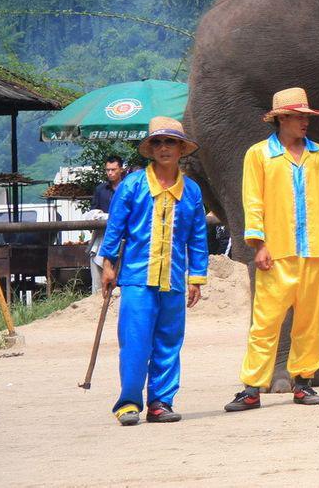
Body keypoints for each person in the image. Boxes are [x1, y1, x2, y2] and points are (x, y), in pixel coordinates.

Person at [225, 88, 319, 412]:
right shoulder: (259, 155)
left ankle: (302, 383)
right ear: (282, 119)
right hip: (277, 251)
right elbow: (253, 201)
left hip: (312, 250)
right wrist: (258, 244)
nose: (305, 122)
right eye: (299, 116)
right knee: (266, 322)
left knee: (310, 322)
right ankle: (251, 387)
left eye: (306, 117)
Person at [98, 119, 209, 425]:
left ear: (180, 149)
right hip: (136, 279)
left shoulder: (191, 191)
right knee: (135, 342)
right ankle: (129, 403)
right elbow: (115, 228)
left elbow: (198, 237)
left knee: (169, 341)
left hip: (173, 280)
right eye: (158, 143)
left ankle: (161, 402)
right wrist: (108, 264)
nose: (164, 148)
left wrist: (196, 277)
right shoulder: (132, 186)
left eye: (170, 143)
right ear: (150, 149)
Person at [87, 155, 125, 294]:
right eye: (107, 170)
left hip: (124, 238)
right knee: (98, 282)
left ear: (121, 169)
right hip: (103, 237)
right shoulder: (101, 190)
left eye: (113, 169)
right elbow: (93, 211)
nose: (110, 173)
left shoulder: (128, 188)